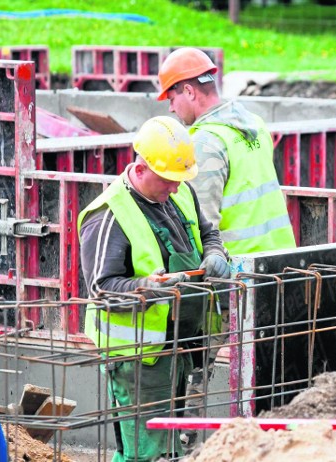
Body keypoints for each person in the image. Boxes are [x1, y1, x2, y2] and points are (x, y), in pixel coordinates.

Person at [78, 116, 231, 461]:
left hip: (181, 345)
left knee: (172, 445)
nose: (175, 188)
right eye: (168, 180)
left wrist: (215, 252)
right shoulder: (108, 215)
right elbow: (102, 289)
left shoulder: (180, 193)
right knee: (143, 452)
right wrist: (150, 289)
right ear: (142, 168)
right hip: (139, 359)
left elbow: (208, 232)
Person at [156, 47, 296, 255]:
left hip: (241, 271)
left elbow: (202, 225)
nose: (171, 108)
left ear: (188, 91)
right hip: (282, 257)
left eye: (171, 99)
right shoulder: (255, 125)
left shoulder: (204, 143)